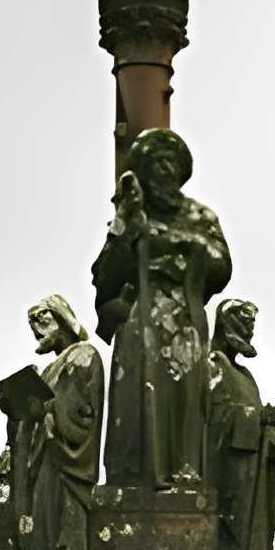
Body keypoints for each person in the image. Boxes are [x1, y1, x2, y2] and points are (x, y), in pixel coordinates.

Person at [91, 128, 232, 490]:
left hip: (183, 318)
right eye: (156, 164)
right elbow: (104, 274)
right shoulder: (128, 216)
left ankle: (185, 472)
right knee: (136, 397)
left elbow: (221, 266)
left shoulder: (199, 216)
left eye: (171, 164)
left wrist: (181, 247)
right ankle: (134, 477)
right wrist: (128, 227)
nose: (164, 171)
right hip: (140, 320)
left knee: (185, 398)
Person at [14, 295, 104, 550]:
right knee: (41, 533)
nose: (37, 331)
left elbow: (82, 411)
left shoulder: (82, 354)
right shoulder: (50, 367)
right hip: (42, 460)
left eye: (42, 321)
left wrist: (48, 411)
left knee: (65, 529)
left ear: (63, 319)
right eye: (32, 326)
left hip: (65, 460)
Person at [208, 299, 275, 550]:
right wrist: (255, 419)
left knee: (255, 539)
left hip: (251, 472)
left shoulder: (245, 376)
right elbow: (211, 420)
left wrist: (266, 428)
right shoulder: (212, 366)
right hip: (225, 473)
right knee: (229, 535)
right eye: (243, 322)